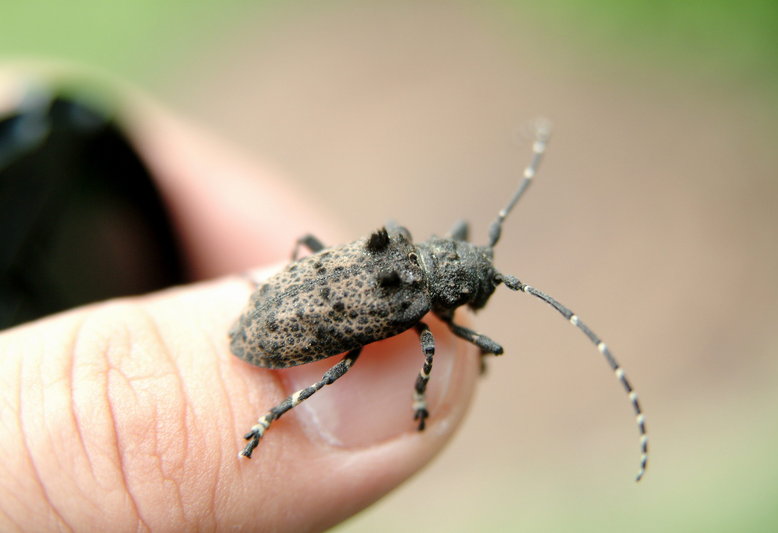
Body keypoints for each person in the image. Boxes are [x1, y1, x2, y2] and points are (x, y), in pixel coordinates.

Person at [0, 72, 479, 531]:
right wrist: (419, 395)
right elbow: (432, 348)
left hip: (278, 298)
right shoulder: (414, 305)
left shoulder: (398, 240)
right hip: (275, 327)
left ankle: (270, 396)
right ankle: (271, 414)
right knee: (345, 369)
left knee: (310, 248)